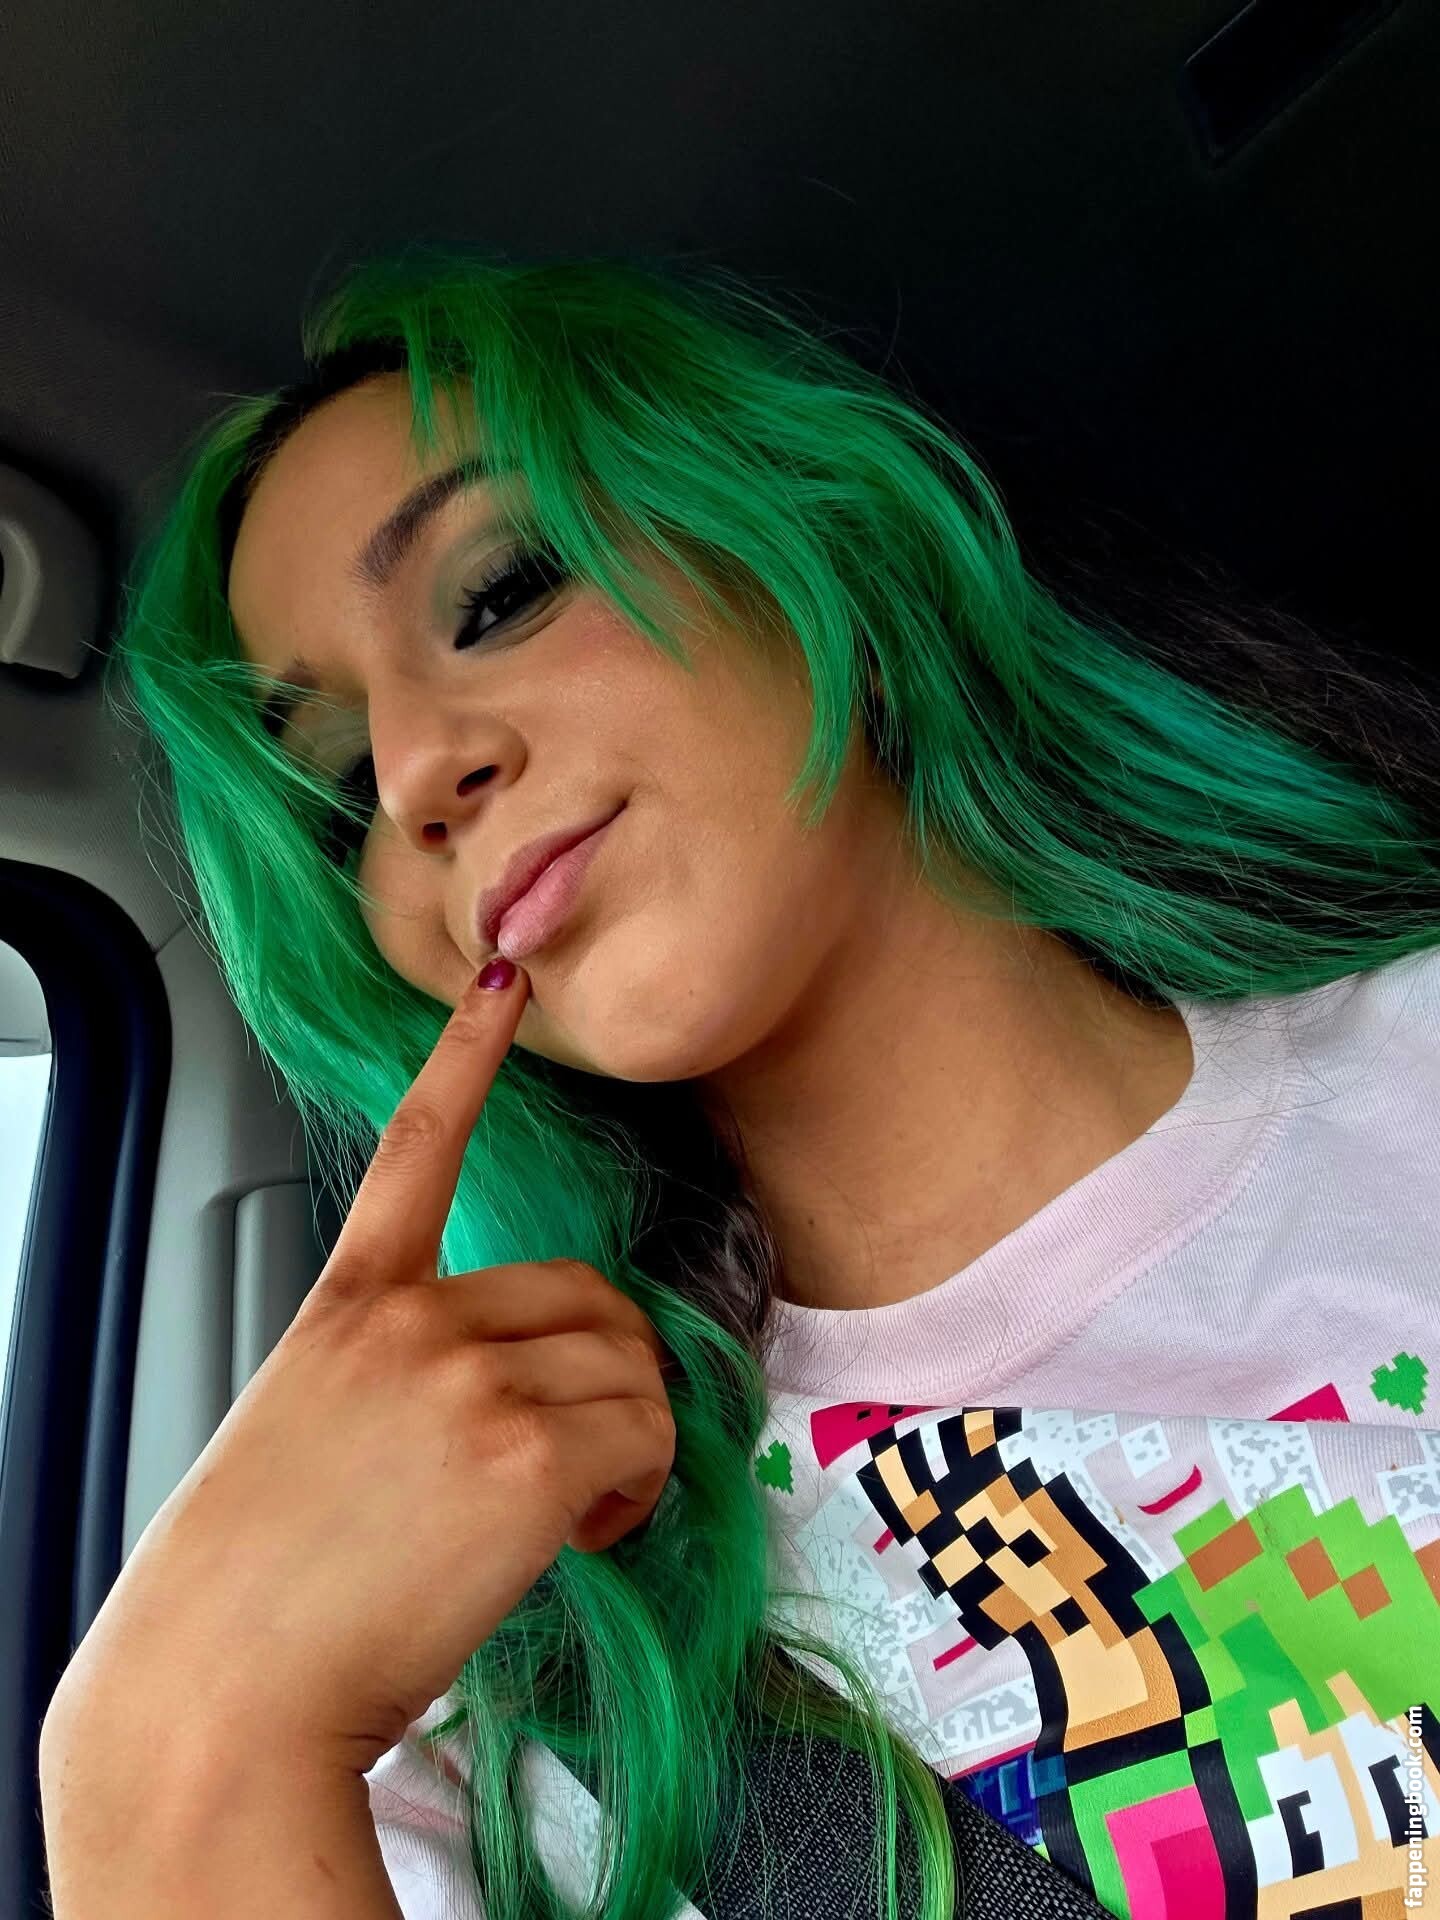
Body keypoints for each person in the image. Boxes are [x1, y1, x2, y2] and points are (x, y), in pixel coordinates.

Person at [39, 250, 1440, 1920]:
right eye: (341, 790)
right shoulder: (525, 1707)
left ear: (814, 544)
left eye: (501, 594)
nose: (415, 775)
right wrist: (160, 1746)